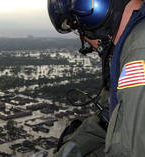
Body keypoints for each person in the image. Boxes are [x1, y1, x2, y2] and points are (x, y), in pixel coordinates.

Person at [47, 0, 145, 156]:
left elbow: (129, 150)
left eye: (78, 27)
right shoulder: (131, 45)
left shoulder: (139, 50)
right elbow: (106, 119)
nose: (83, 38)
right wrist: (74, 147)